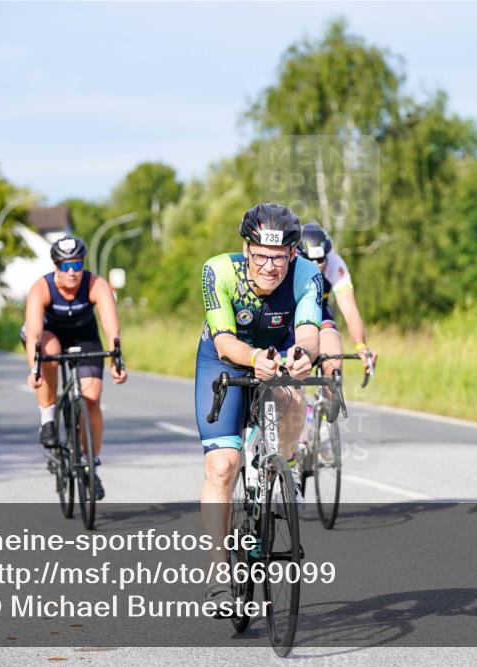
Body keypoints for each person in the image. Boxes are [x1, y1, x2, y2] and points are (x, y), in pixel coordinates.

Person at [194, 203, 322, 610]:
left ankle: (278, 473)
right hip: (225, 358)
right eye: (261, 255)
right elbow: (225, 342)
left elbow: (308, 332)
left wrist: (304, 355)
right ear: (246, 250)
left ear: (293, 254)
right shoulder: (219, 270)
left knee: (293, 395)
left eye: (280, 256)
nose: (270, 266)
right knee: (222, 466)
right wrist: (254, 360)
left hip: (278, 350)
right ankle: (217, 576)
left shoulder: (307, 276)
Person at [23, 236, 127, 501]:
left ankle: (91, 463)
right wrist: (33, 368)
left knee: (91, 400)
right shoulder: (41, 288)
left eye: (77, 265)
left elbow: (110, 325)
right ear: (56, 266)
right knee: (49, 352)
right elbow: (34, 332)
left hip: (84, 338)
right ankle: (47, 418)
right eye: (66, 266)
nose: (72, 272)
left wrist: (117, 359)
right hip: (48, 335)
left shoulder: (95, 284)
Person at [297, 222, 378, 439]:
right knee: (293, 368)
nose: (316, 265)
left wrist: (361, 345)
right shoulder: (289, 260)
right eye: (310, 260)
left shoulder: (335, 263)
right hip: (291, 314)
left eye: (320, 260)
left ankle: (323, 427)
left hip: (320, 313)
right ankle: (299, 417)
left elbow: (349, 307)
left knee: (333, 363)